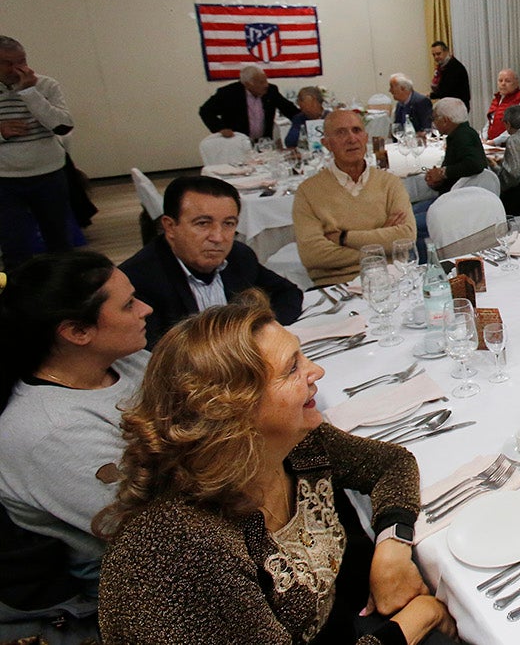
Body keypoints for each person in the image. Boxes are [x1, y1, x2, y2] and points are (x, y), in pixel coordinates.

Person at [97, 301, 458, 643]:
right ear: (234, 411)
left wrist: (392, 546)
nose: (316, 371)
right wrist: (421, 616)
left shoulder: (293, 442)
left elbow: (389, 464)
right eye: (292, 368)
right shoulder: (188, 549)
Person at [0, 252, 151, 591]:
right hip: (131, 583)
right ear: (78, 332)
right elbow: (157, 532)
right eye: (128, 305)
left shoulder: (125, 360)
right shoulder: (48, 432)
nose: (145, 309)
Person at [119, 176, 303, 348]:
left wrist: (254, 332)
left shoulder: (238, 257)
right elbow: (156, 354)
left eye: (228, 224)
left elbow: (288, 294)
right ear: (170, 227)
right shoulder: (138, 280)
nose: (218, 237)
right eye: (203, 223)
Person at [294, 110, 416, 285]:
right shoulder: (307, 192)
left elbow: (407, 237)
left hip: (392, 280)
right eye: (341, 133)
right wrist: (382, 246)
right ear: (326, 144)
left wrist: (344, 238)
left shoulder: (390, 183)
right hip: (336, 288)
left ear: (366, 137)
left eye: (356, 130)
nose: (351, 139)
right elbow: (312, 255)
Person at [0, 35, 75, 270]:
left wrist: (30, 93)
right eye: (7, 63)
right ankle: (19, 298)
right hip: (5, 179)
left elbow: (63, 125)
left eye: (21, 61)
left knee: (59, 241)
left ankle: (64, 292)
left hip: (49, 173)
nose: (17, 69)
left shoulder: (46, 85)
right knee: (14, 245)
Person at [198, 64, 299, 142]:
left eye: (266, 81)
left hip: (264, 142)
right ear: (247, 84)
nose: (266, 85)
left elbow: (288, 109)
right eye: (261, 82)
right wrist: (220, 128)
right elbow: (205, 111)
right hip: (237, 142)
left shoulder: (271, 91)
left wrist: (306, 120)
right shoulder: (228, 93)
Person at [423, 97, 485, 194]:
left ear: (445, 120)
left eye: (434, 118)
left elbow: (475, 164)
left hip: (460, 198)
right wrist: (438, 179)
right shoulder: (462, 133)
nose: (433, 123)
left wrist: (442, 172)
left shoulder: (462, 136)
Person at [480, 69, 520, 146]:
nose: (503, 84)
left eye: (507, 81)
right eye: (500, 81)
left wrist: (495, 141)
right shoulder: (498, 98)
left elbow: (517, 128)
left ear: (516, 84)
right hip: (491, 143)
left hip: (511, 144)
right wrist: (484, 138)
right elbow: (490, 121)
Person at [428, 41, 471, 109]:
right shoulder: (443, 67)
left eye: (438, 54)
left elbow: (446, 90)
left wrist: (430, 95)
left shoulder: (454, 67)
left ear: (446, 52)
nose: (436, 57)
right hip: (451, 105)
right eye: (434, 55)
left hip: (457, 107)